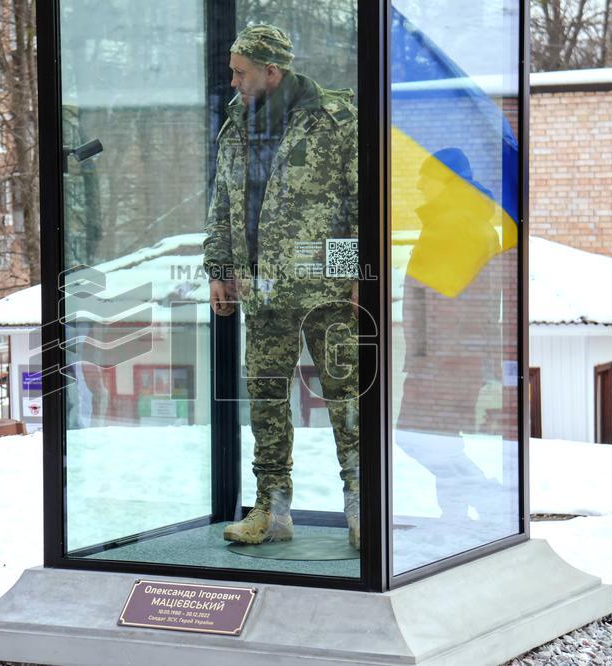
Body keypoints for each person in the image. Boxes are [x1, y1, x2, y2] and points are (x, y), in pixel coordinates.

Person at [202, 25, 360, 547]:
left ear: (273, 71)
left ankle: (363, 504)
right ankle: (272, 510)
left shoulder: (335, 118)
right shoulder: (235, 123)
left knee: (345, 395)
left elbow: (360, 203)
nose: (233, 80)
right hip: (261, 289)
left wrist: (354, 275)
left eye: (241, 72)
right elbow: (222, 202)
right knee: (266, 399)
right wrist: (219, 271)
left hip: (325, 289)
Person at [396, 148, 505, 522]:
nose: (419, 184)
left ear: (447, 182)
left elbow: (447, 304)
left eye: (427, 177)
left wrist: (430, 360)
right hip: (458, 357)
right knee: (441, 440)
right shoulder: (467, 222)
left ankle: (486, 496)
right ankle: (455, 516)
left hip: (445, 361)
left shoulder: (455, 225)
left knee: (415, 437)